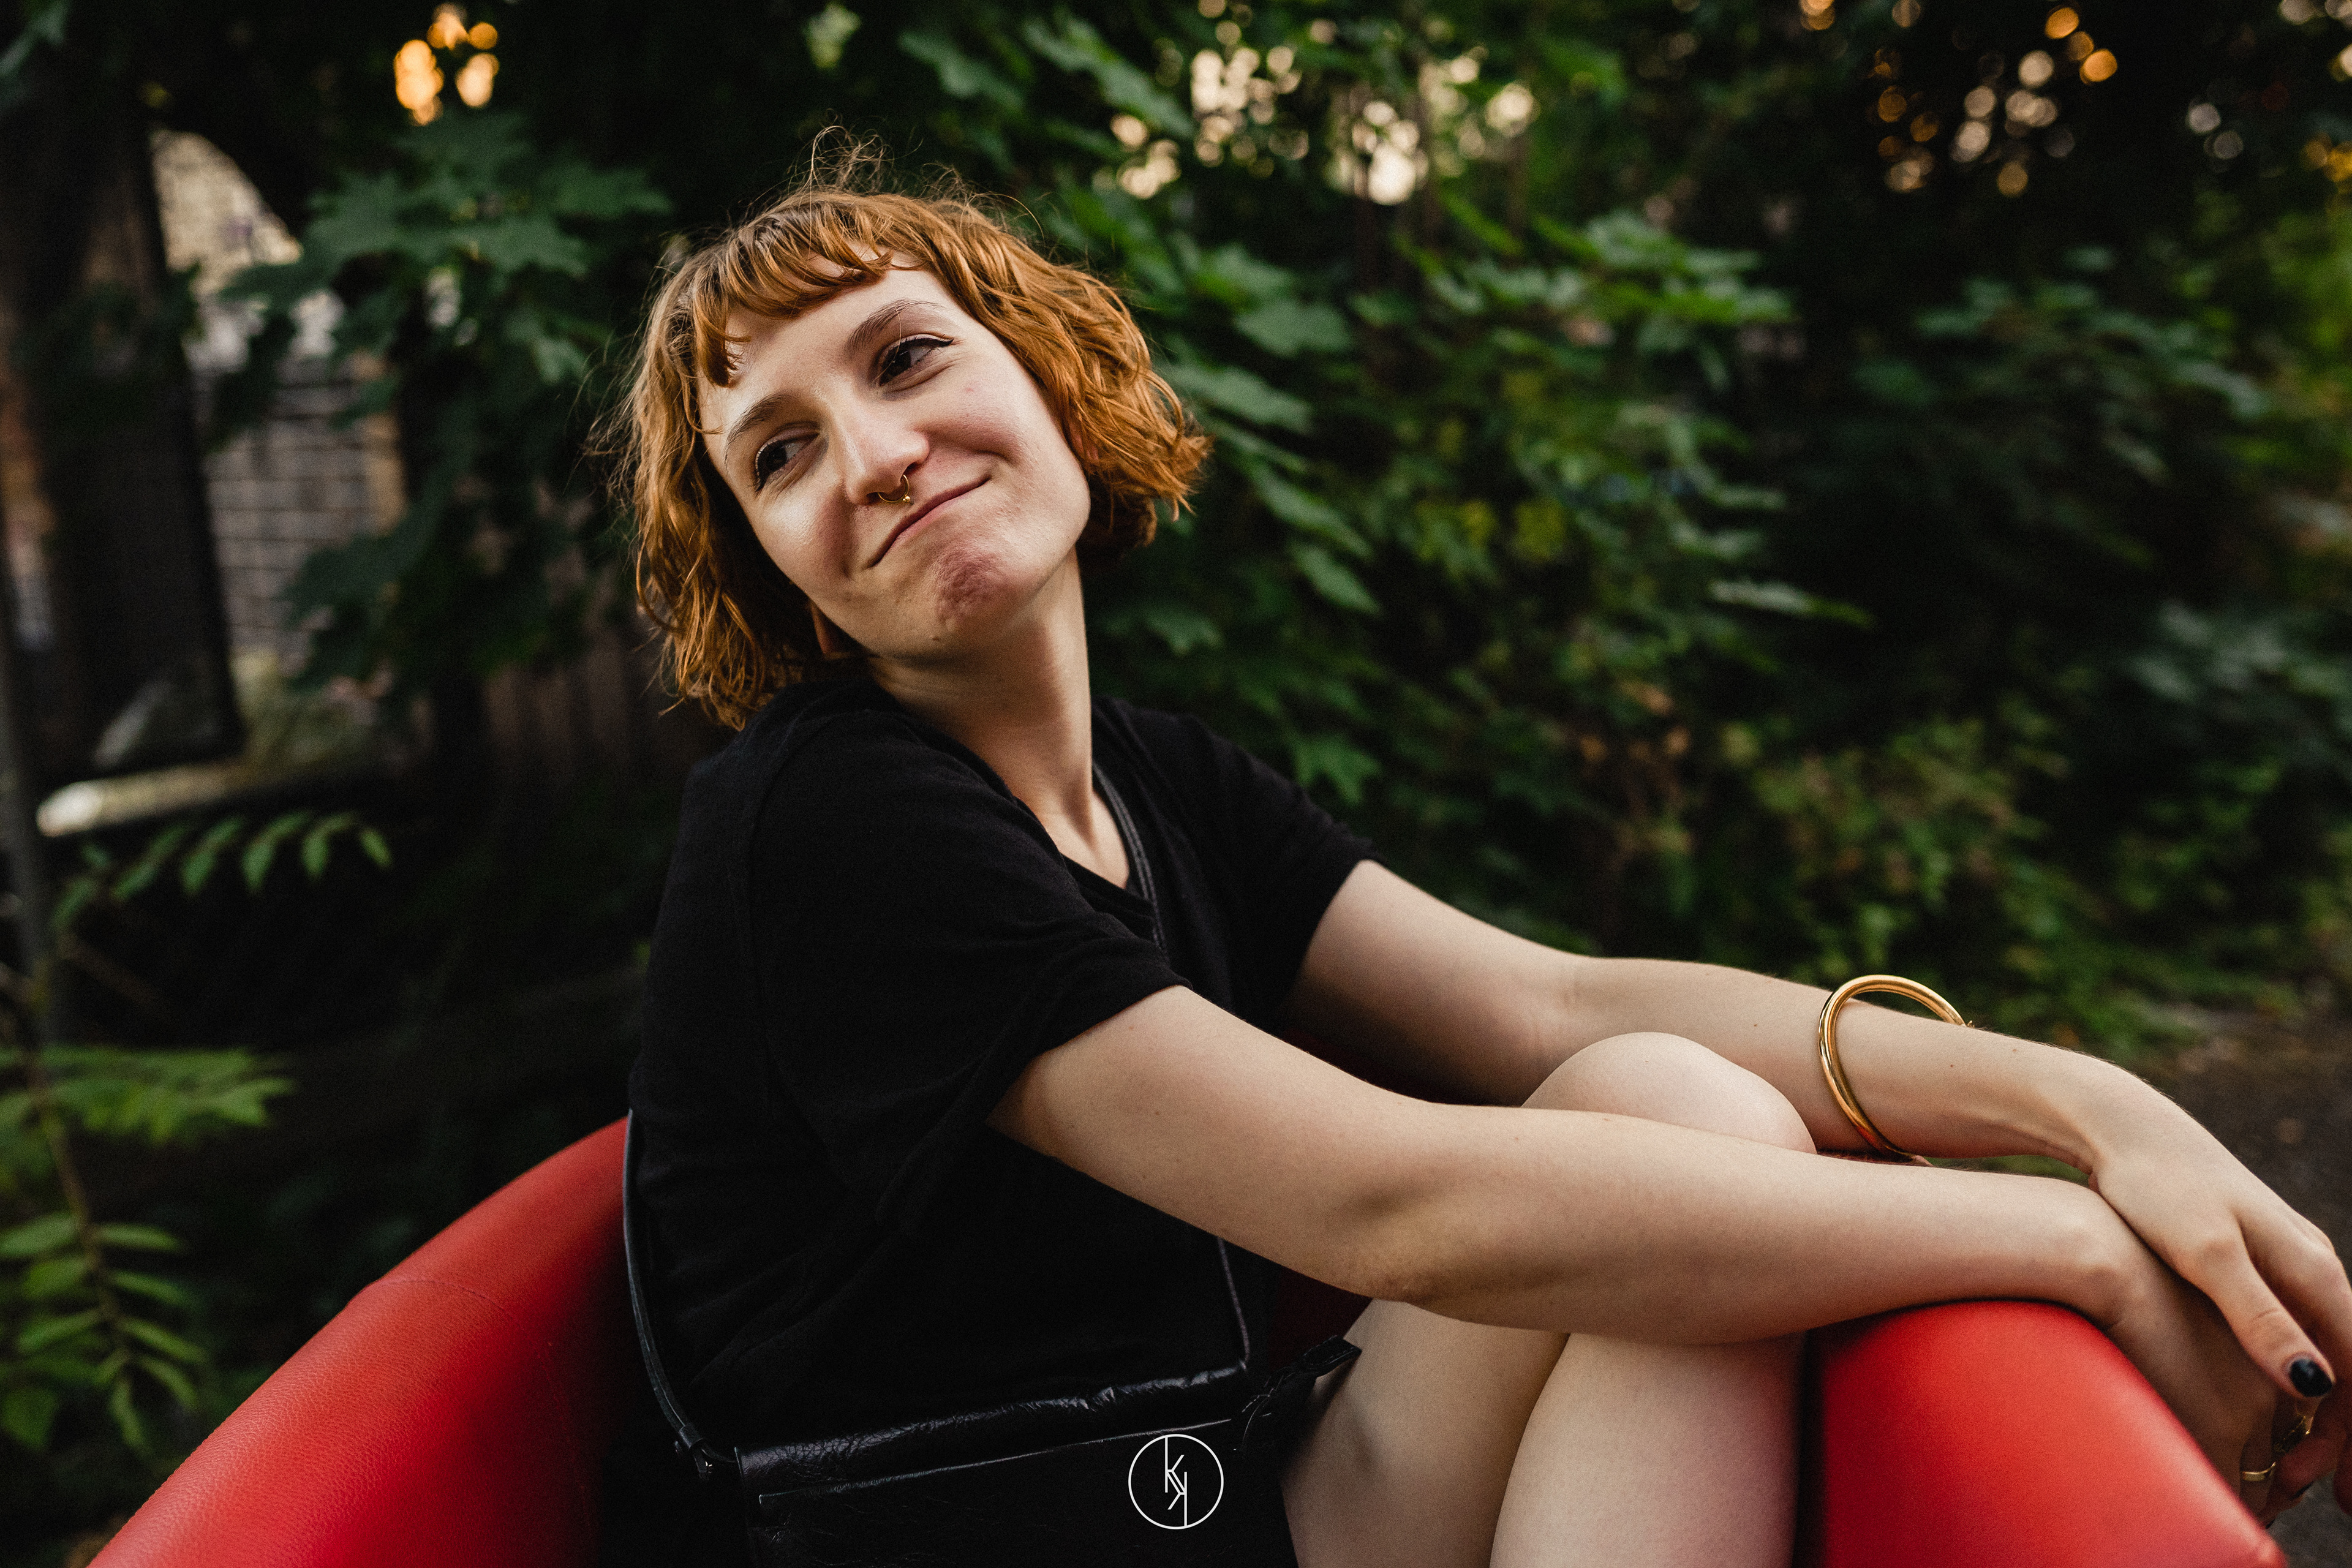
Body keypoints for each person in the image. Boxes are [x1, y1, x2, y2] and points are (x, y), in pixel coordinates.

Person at [617, 169, 2349, 1567]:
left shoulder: (1153, 777)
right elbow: (1397, 1206)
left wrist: (2086, 1104)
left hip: (1217, 1503)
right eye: (780, 452)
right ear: (777, 570)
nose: (875, 456)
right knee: (1659, 1149)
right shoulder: (825, 825)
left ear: (1049, 374)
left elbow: (1549, 1005)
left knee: (1668, 1097)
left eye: (906, 357)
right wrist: (2069, 1242)